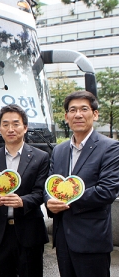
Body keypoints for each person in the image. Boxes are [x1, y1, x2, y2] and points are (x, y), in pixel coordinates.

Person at [45, 91, 119, 277]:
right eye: (73, 110)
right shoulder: (59, 150)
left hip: (91, 239)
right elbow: (50, 184)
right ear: (66, 117)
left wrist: (65, 199)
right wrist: (49, 201)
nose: (78, 114)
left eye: (84, 109)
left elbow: (107, 191)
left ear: (94, 114)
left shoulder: (110, 147)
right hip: (62, 239)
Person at [0, 104, 49, 277]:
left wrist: (22, 201)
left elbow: (41, 192)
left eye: (16, 124)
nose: (11, 129)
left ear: (25, 127)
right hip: (0, 233)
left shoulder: (40, 157)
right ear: (0, 128)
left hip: (29, 231)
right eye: (5, 124)